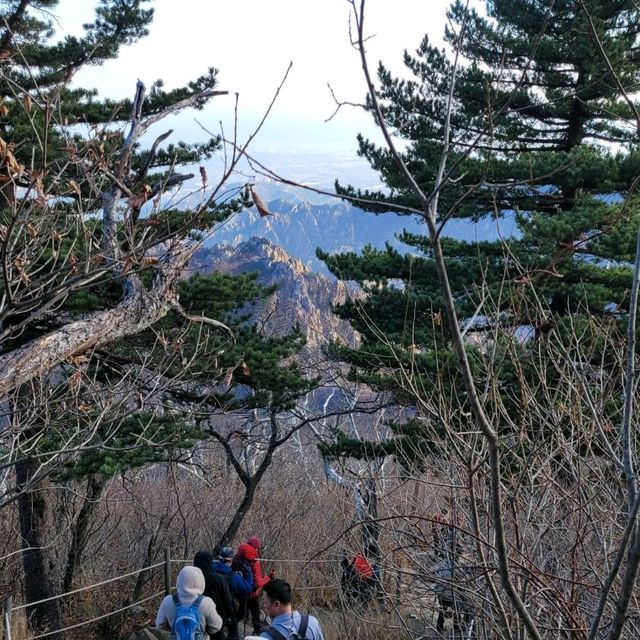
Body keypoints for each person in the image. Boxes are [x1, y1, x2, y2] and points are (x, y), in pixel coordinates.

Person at [156, 566, 223, 640]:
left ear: (179, 580)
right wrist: (203, 632)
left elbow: (160, 624)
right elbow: (216, 626)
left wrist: (177, 631)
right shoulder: (206, 602)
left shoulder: (168, 601)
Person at [257, 579, 323, 640]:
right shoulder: (312, 623)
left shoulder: (267, 637)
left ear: (276, 604)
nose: (263, 606)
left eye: (265, 602)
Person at [212, 546, 254, 640]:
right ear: (230, 561)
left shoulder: (210, 570)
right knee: (233, 632)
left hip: (210, 608)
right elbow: (247, 588)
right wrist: (248, 573)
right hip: (226, 610)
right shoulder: (233, 577)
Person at [194, 550, 235, 639]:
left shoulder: (191, 578)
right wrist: (230, 615)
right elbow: (227, 599)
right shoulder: (218, 578)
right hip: (217, 616)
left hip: (195, 617)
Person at [235, 536, 272, 634]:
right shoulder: (255, 562)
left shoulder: (238, 557)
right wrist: (269, 577)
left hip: (239, 590)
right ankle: (257, 631)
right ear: (256, 548)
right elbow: (259, 582)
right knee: (255, 612)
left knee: (242, 610)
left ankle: (231, 624)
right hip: (251, 592)